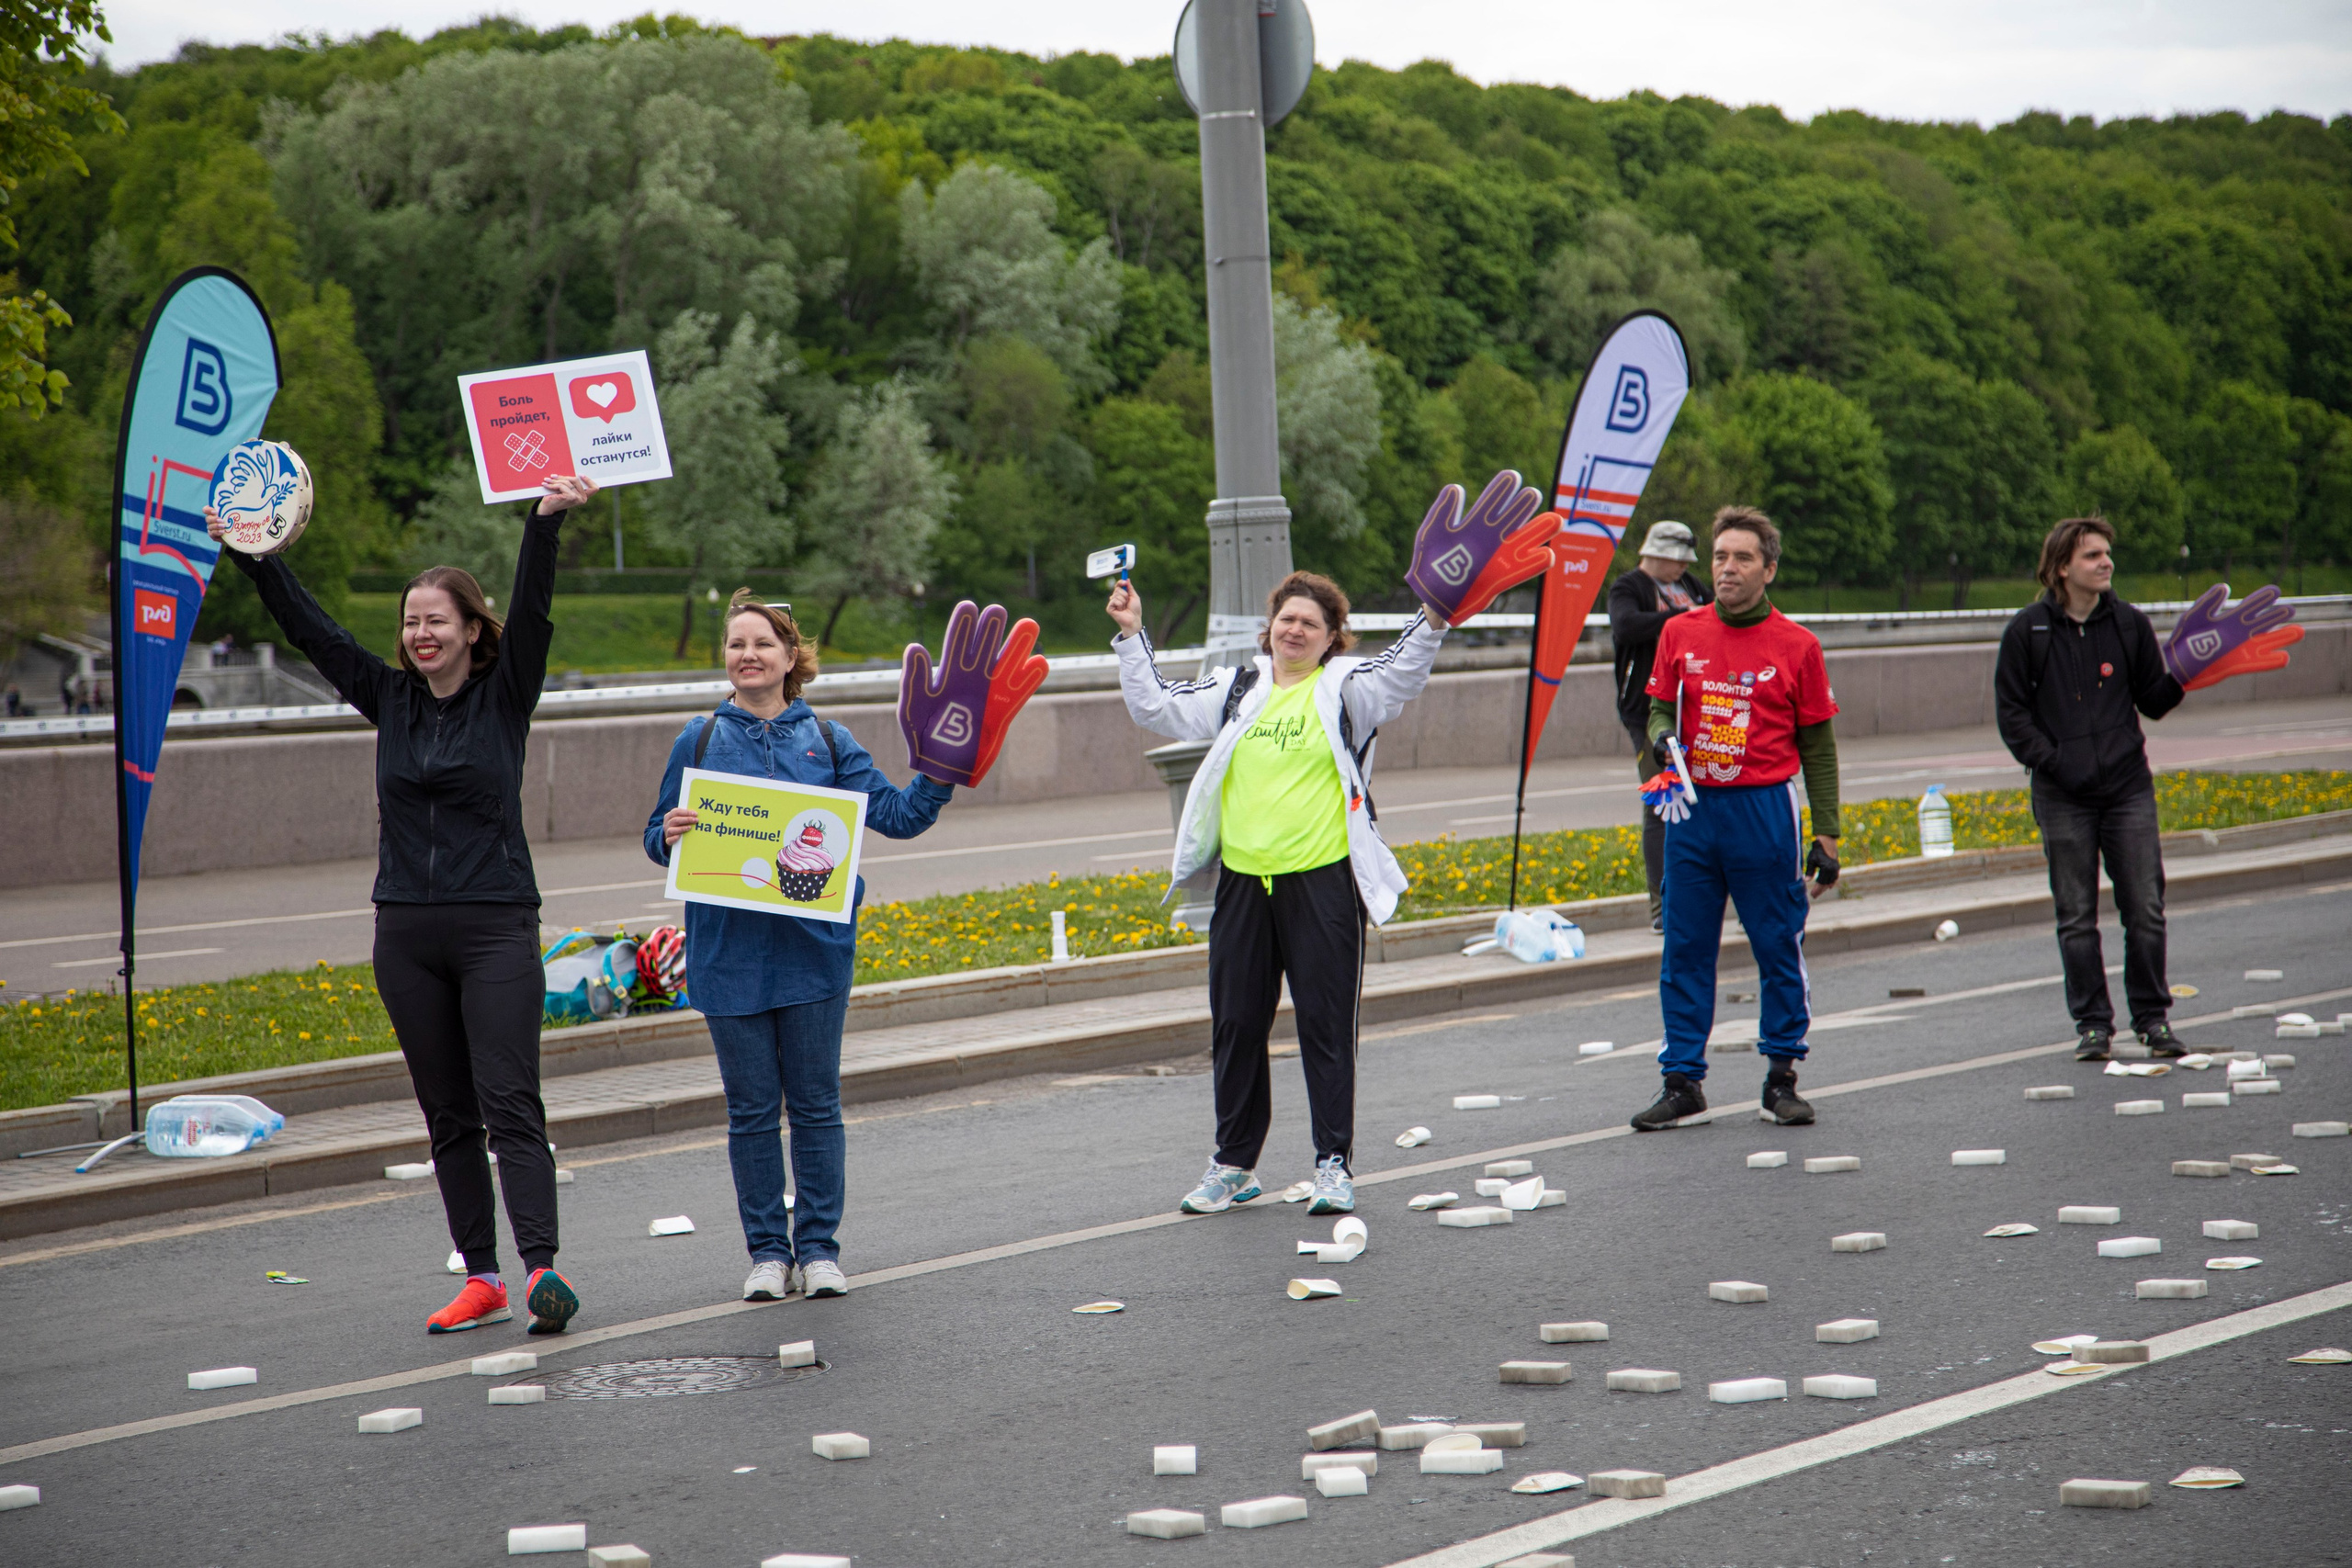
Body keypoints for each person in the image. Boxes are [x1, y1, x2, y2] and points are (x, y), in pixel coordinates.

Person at [209, 471, 598, 1336]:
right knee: (448, 1114)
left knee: (509, 1101)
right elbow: (311, 633)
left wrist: (544, 526)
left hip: (496, 923)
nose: (420, 634)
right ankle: (483, 1277)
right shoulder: (388, 697)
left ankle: (542, 1271)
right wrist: (254, 555)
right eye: (410, 621)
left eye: (436, 620)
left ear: (469, 630)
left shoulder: (505, 698)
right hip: (407, 932)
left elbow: (533, 613)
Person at [645, 592, 954, 1303]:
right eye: (735, 644)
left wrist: (943, 768)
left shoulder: (830, 739)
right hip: (727, 955)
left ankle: (818, 1250)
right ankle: (765, 1253)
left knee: (815, 1105)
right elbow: (654, 836)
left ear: (791, 657)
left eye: (761, 643)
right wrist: (668, 833)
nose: (746, 655)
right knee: (750, 1110)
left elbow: (899, 816)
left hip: (814, 953)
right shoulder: (696, 739)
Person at [1110, 570, 1446, 1216]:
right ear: (1270, 628)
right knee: (1236, 1024)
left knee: (1325, 1026)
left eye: (1310, 624)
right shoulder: (1239, 687)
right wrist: (1131, 635)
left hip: (1321, 882)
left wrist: (1433, 615)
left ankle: (1332, 1164)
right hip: (1243, 883)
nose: (1295, 630)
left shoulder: (1349, 689)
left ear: (1331, 639)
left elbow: (1405, 672)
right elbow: (1155, 705)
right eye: (1286, 619)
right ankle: (1234, 1162)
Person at [1634, 506, 1842, 1132]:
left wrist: (1826, 835)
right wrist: (1663, 736)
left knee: (1778, 944)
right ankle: (1682, 1081)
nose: (1727, 567)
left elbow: (1820, 747)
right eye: (1720, 555)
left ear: (1769, 568)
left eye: (1742, 557)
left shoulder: (1798, 646)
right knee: (1685, 948)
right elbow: (1653, 712)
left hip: (1763, 809)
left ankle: (1781, 1078)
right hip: (1693, 814)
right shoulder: (1680, 633)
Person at [1993, 517, 2188, 1062]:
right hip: (2062, 794)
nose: (2106, 563)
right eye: (2092, 556)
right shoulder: (2027, 631)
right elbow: (2012, 715)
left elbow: (2153, 699)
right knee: (2076, 915)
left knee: (2145, 908)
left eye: (2107, 554)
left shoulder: (2128, 624)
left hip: (2127, 788)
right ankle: (2094, 1026)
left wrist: (2188, 671)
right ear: (2061, 568)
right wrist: (2054, 762)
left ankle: (2152, 1020)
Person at [1608, 520, 1713, 931]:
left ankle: (1711, 895)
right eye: (1678, 561)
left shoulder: (1692, 584)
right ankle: (1661, 905)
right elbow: (1626, 625)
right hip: (1647, 712)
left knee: (1711, 799)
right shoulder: (1629, 586)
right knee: (1661, 804)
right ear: (1660, 554)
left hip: (1700, 707)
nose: (1683, 569)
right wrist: (1680, 619)